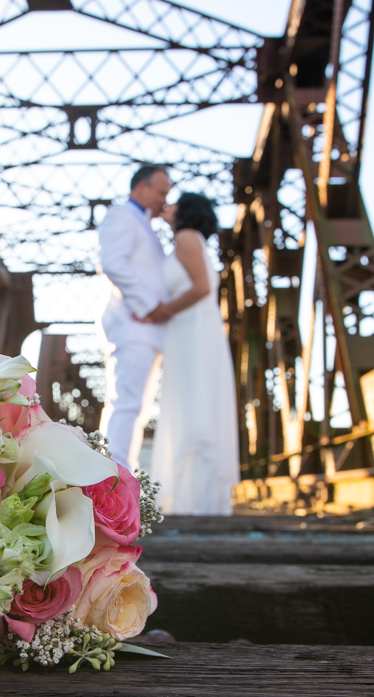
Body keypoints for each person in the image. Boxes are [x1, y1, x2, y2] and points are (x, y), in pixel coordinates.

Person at [146, 193, 239, 515]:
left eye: (173, 204)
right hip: (192, 329)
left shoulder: (186, 237)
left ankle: (193, 499)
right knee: (194, 403)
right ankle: (197, 497)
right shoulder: (190, 240)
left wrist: (164, 311)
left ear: (186, 212)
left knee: (192, 402)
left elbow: (200, 287)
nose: (167, 207)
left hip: (192, 329)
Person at [96, 164, 173, 470]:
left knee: (134, 407)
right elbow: (113, 263)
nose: (164, 200)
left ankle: (120, 475)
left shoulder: (144, 224)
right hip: (133, 325)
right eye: (161, 192)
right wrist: (149, 305)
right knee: (126, 404)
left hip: (145, 330)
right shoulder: (122, 215)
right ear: (141, 188)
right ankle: (113, 476)